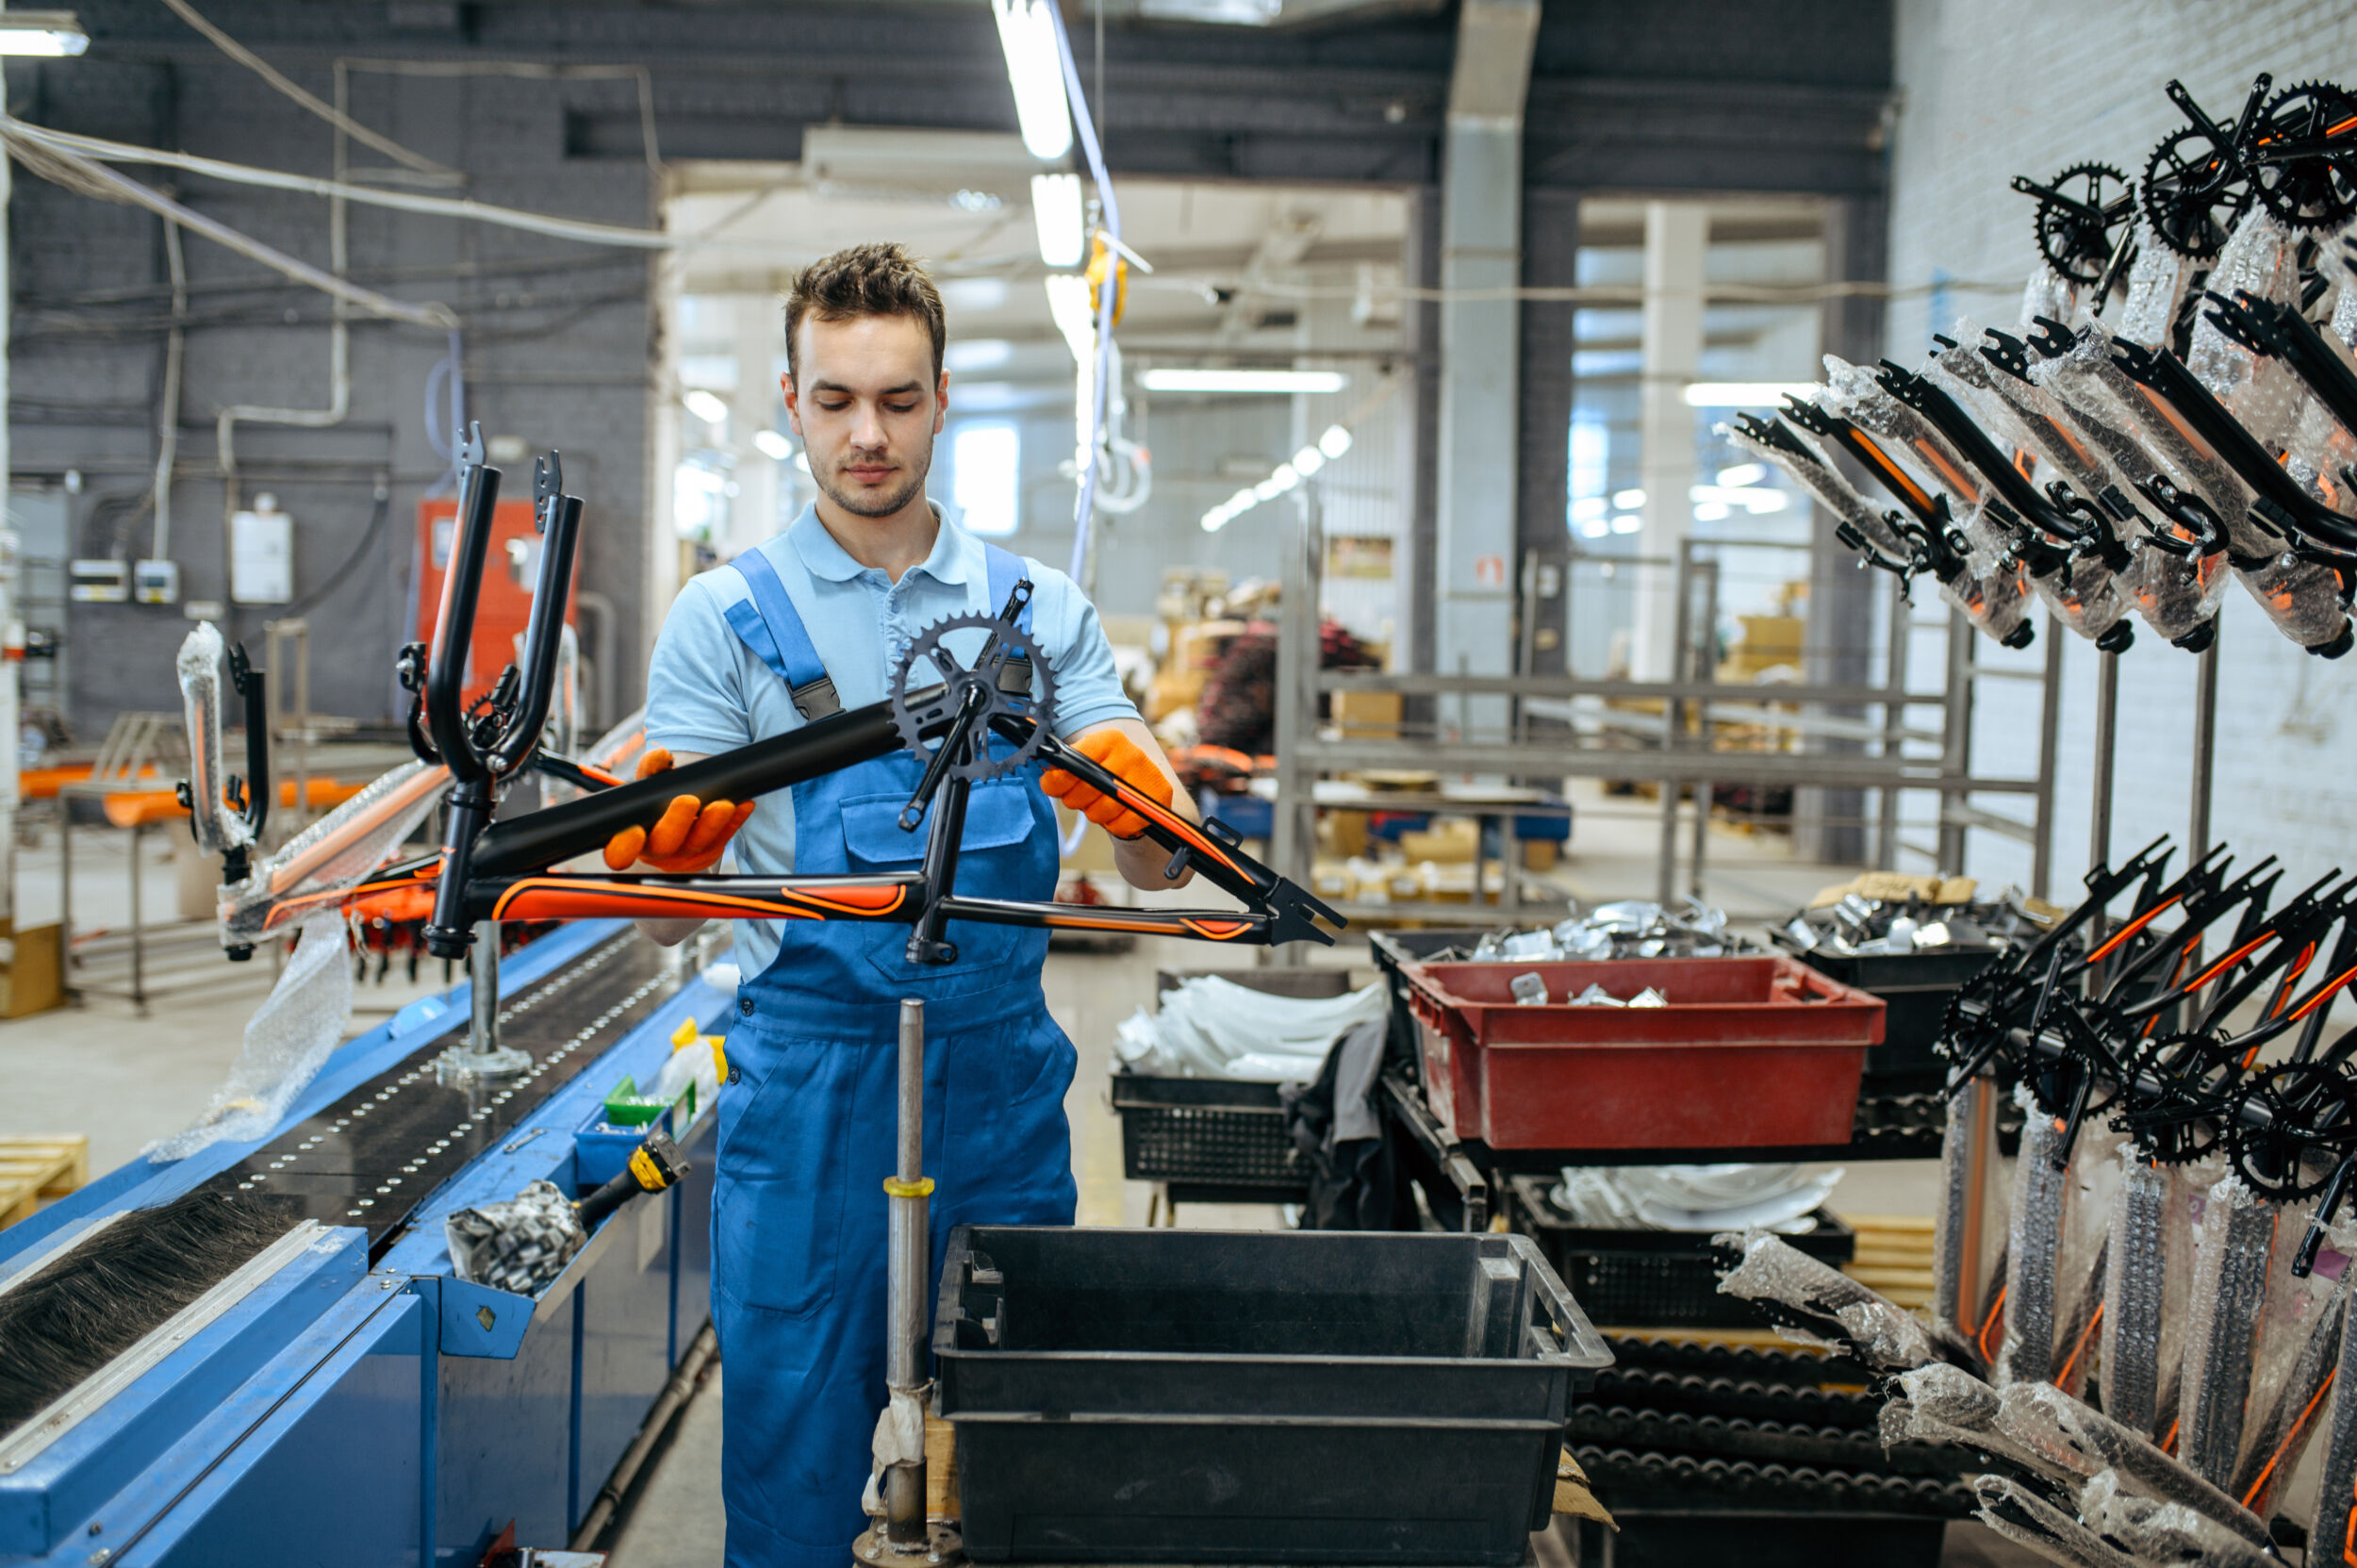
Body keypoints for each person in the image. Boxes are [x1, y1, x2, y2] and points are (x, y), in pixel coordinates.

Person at [616, 241, 1195, 1567]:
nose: (865, 434)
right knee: (794, 1442)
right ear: (791, 402)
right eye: (835, 400)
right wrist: (660, 867)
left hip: (997, 1090)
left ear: (942, 404)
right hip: (807, 1096)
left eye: (895, 399)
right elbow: (665, 922)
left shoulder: (1039, 614)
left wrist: (1147, 805)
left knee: (1008, 1439)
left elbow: (1157, 871)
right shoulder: (722, 621)